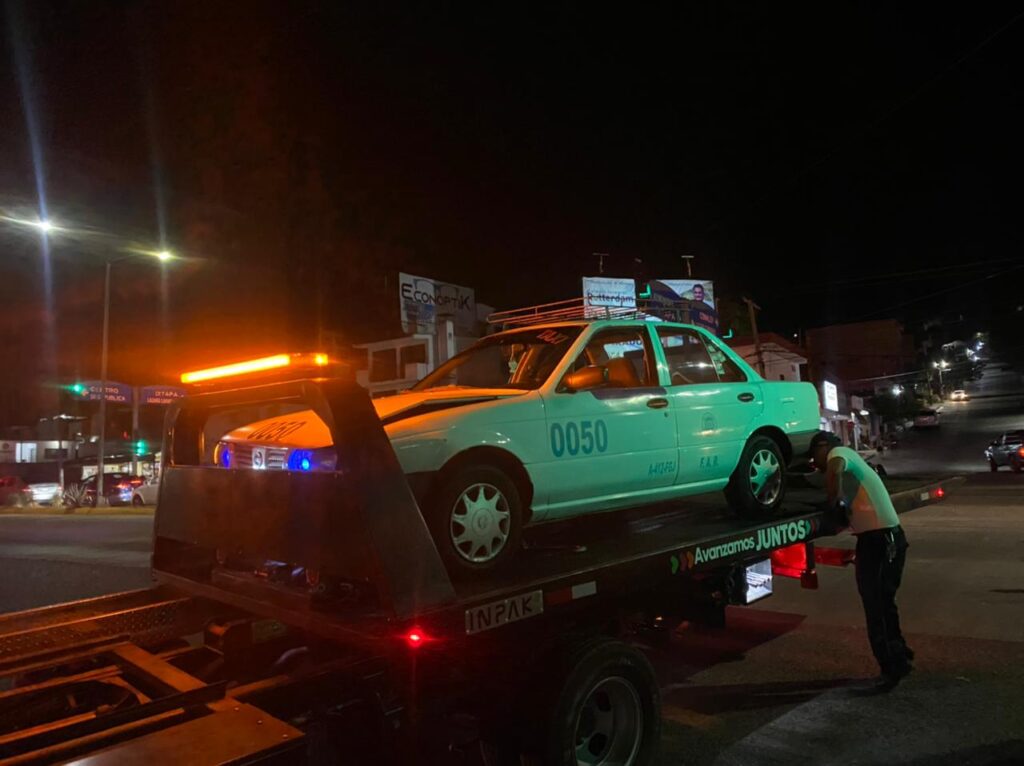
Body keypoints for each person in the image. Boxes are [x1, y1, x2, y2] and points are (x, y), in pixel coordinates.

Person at [810, 431, 913, 690]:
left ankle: (889, 671)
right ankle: (899, 658)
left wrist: (832, 501)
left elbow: (833, 468)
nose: (815, 461)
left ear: (824, 446)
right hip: (881, 540)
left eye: (814, 455)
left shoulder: (839, 453)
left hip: (880, 541)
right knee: (884, 604)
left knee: (876, 606)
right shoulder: (853, 464)